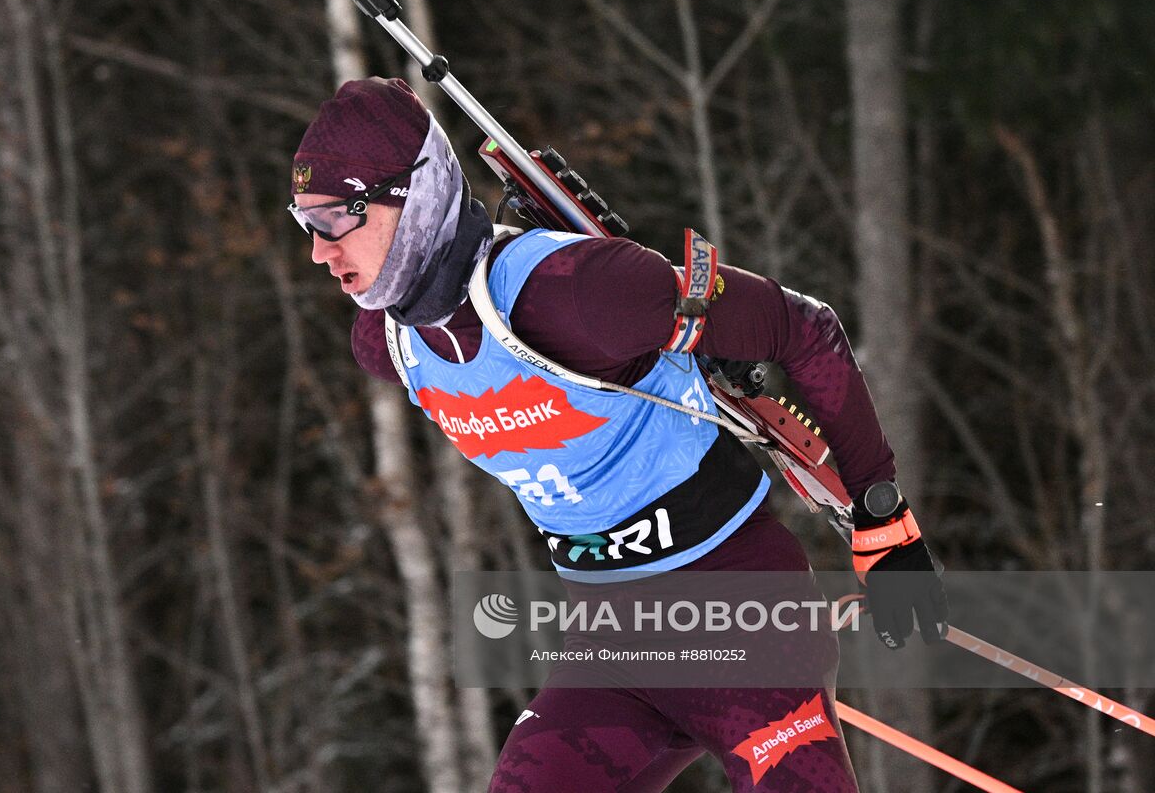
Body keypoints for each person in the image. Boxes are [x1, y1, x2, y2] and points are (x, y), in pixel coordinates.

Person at [288, 77, 948, 792]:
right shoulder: (387, 344)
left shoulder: (574, 294)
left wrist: (883, 519)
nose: (320, 253)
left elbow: (805, 328)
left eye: (333, 220)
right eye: (304, 223)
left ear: (410, 195)